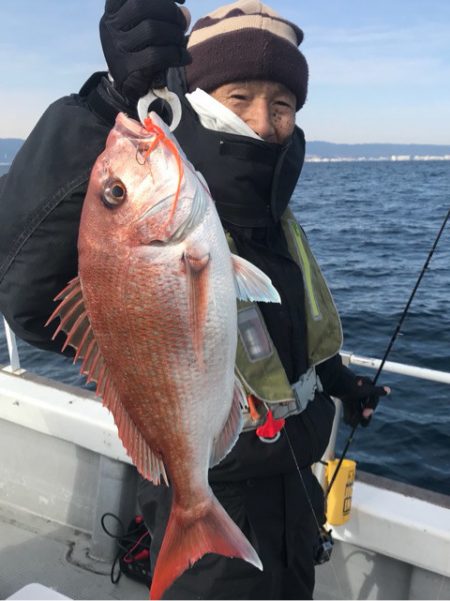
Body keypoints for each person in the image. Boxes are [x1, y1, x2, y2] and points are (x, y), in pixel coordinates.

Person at [0, 0, 390, 598]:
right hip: (215, 492)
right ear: (195, 101)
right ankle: (192, 517)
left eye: (281, 104)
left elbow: (287, 331)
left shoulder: (276, 224)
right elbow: (25, 294)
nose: (264, 122)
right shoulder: (187, 220)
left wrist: (339, 381)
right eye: (239, 98)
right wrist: (106, 105)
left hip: (294, 493)